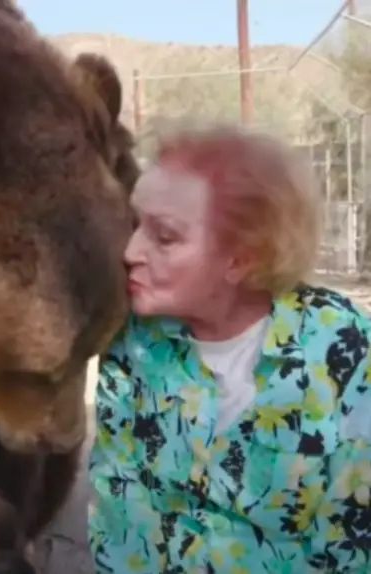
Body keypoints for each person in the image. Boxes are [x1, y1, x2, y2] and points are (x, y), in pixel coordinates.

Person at [88, 123, 371, 573]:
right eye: (133, 224)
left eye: (164, 237)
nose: (130, 250)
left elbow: (353, 538)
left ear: (241, 259)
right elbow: (120, 512)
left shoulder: (342, 346)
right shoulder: (134, 345)